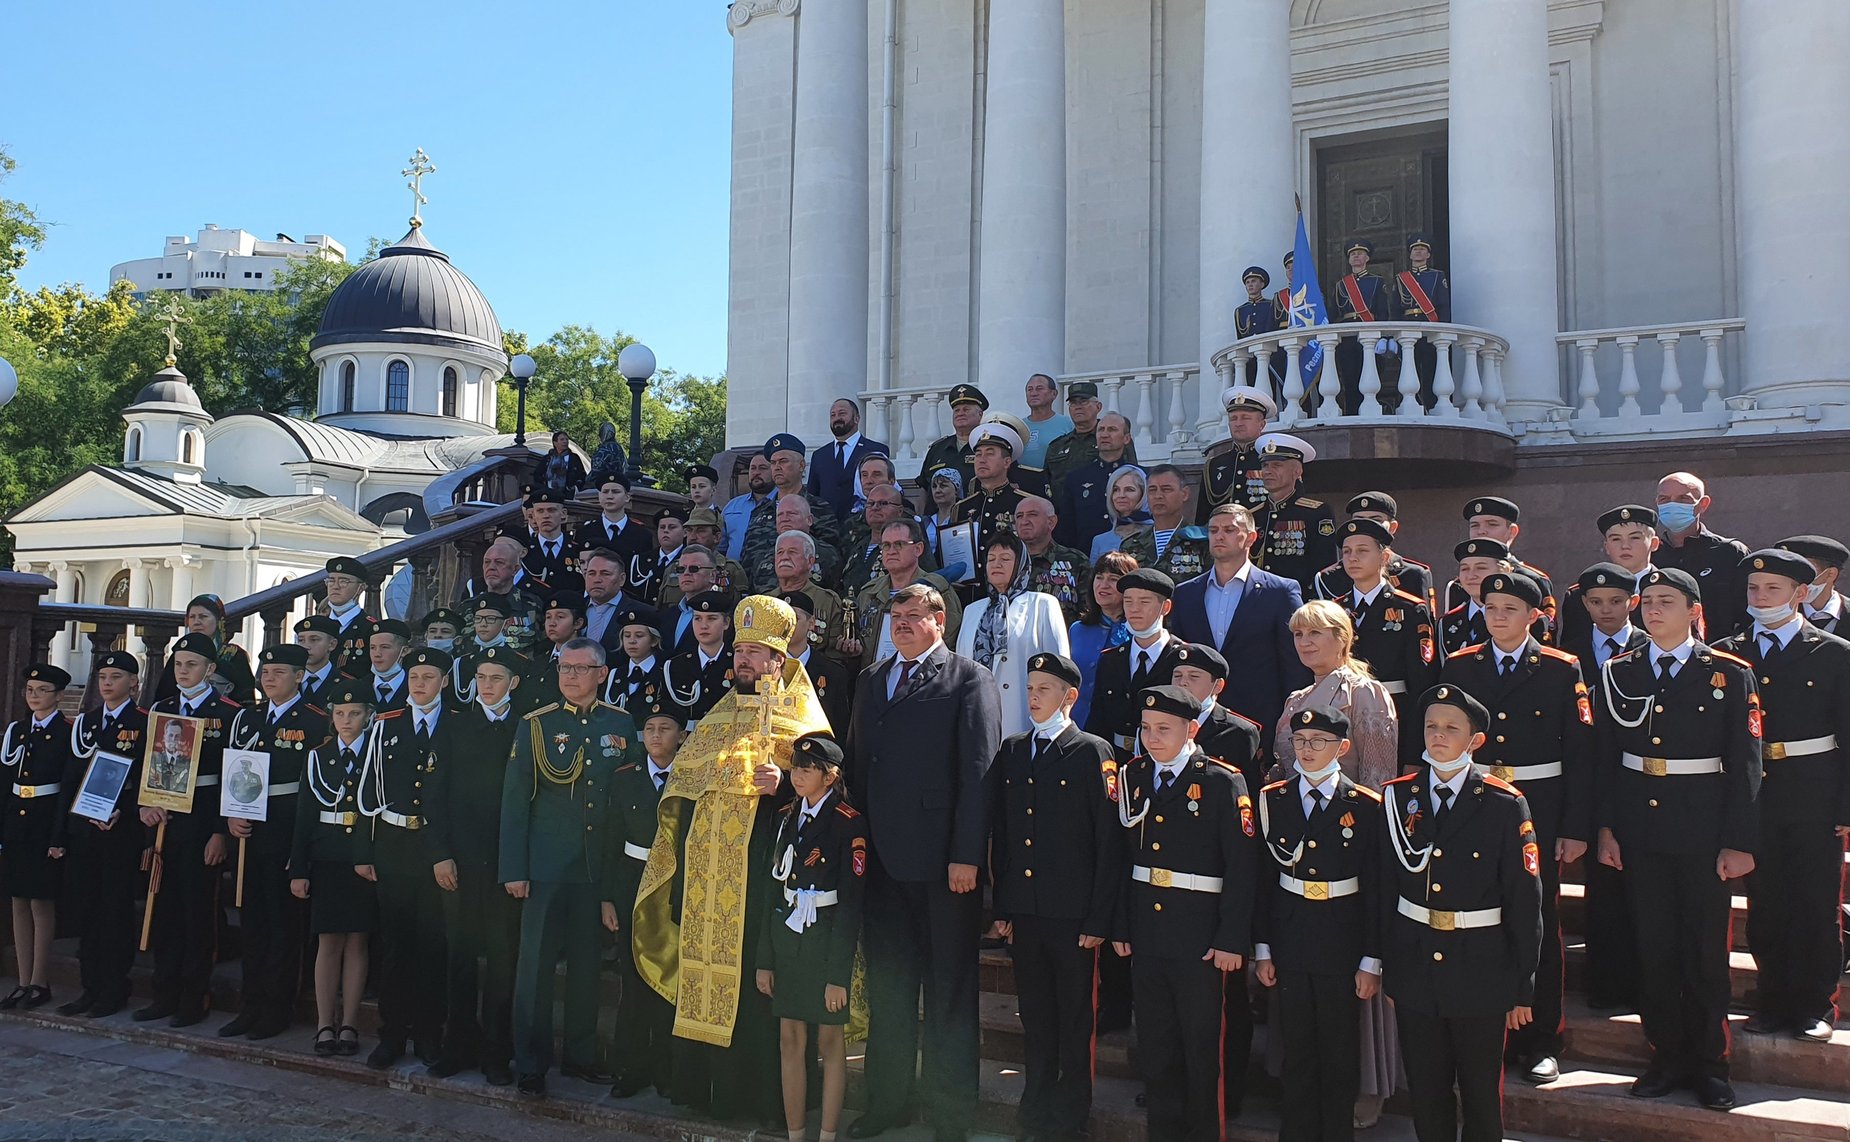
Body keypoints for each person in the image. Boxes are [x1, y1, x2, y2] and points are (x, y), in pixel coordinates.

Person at [633, 595, 830, 1124]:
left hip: (763, 885)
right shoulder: (719, 716)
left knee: (754, 989)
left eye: (755, 651)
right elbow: (684, 783)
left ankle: (759, 1098)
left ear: (778, 659)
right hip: (706, 881)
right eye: (739, 650)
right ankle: (704, 1090)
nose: (742, 659)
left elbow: (831, 797)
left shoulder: (804, 718)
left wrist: (786, 784)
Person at [1594, 567, 1760, 1110]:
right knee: (1655, 950)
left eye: (1668, 601)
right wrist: (1607, 828)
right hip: (1641, 832)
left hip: (1703, 832)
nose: (1653, 609)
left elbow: (1745, 764)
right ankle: (1665, 1055)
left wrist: (1738, 841)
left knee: (1705, 954)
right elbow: (1606, 761)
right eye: (1648, 601)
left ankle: (1712, 1064)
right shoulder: (1620, 671)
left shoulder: (1729, 674)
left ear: (1694, 609)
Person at [844, 582, 1002, 1141]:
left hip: (942, 867)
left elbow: (979, 774)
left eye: (914, 616)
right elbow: (861, 767)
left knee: (948, 992)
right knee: (890, 990)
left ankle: (949, 1113)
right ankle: (888, 1103)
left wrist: (966, 857)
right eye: (895, 615)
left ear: (941, 622)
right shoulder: (871, 679)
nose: (902, 624)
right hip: (882, 863)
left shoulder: (968, 678)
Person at [1440, 571, 1594, 1085]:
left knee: (1537, 924)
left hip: (1539, 811)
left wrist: (1575, 826)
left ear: (1535, 616)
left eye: (1510, 608)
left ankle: (1541, 1037)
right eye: (1491, 607)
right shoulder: (1462, 666)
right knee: (1480, 920)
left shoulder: (1559, 668)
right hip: (1475, 807)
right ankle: (1486, 1035)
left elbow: (1580, 754)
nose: (1498, 616)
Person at [1379, 684, 1542, 1142]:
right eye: (1431, 726)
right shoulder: (1398, 798)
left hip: (1481, 968)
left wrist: (1522, 985)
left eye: (1451, 728)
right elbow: (1384, 890)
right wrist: (1387, 963)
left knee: (1480, 1094)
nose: (1437, 735)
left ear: (1476, 741)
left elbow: (1524, 901)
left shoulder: (1504, 804)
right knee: (1427, 1092)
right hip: (1416, 963)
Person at [1274, 600, 1402, 1127]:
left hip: (1350, 843)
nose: (1305, 643)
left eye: (1317, 634)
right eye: (1299, 634)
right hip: (1298, 845)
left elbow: (1376, 773)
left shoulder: (1366, 692)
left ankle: (1364, 1088)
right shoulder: (1298, 696)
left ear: (1343, 638)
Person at [987, 653, 1122, 1141]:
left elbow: (1107, 841)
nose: (1034, 696)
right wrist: (1003, 905)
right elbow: (1005, 833)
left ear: (1069, 696)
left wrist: (1100, 917)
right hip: (1027, 908)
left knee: (1073, 1020)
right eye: (1030, 688)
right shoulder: (1015, 749)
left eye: (1045, 688)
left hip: (1073, 915)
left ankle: (1070, 1117)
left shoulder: (1091, 751)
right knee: (1037, 1017)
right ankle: (1035, 1108)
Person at [1717, 549, 1850, 1044]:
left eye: (1772, 589)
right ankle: (1773, 1000)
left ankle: (1815, 1005)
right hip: (1754, 793)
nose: (1760, 597)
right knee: (1766, 904)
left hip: (1813, 790)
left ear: (1800, 593)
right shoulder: (1728, 651)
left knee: (1815, 905)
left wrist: (1846, 805)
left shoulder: (1835, 652)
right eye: (1753, 589)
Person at [1114, 684, 1256, 1142]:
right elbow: (1121, 857)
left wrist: (1231, 938)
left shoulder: (1221, 781)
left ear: (1191, 729)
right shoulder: (1134, 776)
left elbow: (1241, 868)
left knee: (1201, 1049)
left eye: (1163, 729)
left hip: (1200, 936)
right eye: (1146, 728)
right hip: (1148, 930)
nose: (1152, 738)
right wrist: (1121, 923)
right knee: (1155, 1046)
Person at [501, 638, 638, 1097]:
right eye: (565, 668)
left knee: (585, 967)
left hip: (596, 869)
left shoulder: (621, 723)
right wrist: (514, 868)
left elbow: (628, 799)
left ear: (602, 674)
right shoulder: (537, 724)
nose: (571, 676)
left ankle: (580, 1055)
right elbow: (516, 800)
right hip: (544, 867)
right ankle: (530, 1062)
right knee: (535, 966)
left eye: (581, 669)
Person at [1252, 705, 1384, 1142]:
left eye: (1319, 742)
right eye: (1300, 741)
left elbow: (1377, 888)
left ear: (1342, 748)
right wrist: (1264, 947)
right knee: (1297, 1046)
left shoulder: (1365, 806)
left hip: (1341, 936)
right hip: (1291, 935)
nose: (1307, 750)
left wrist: (1371, 958)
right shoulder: (1275, 799)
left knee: (1339, 1048)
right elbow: (1264, 880)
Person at [759, 732, 869, 1142]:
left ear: (830, 775)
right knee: (789, 1038)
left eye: (808, 769)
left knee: (829, 1040)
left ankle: (826, 1134)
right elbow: (773, 889)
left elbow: (851, 904)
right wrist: (764, 960)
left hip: (826, 943)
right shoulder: (786, 814)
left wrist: (837, 975)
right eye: (795, 767)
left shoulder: (848, 823)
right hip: (788, 940)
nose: (798, 774)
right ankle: (795, 1133)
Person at [218, 644, 327, 1041]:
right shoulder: (247, 718)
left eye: (279, 672)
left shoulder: (315, 721)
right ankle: (251, 1004)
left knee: (283, 927)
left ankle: (277, 1008)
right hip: (250, 834)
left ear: (299, 676)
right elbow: (231, 769)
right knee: (253, 924)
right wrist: (230, 815)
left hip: (288, 832)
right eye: (266, 671)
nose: (269, 678)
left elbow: (314, 787)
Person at [427, 646, 524, 1086]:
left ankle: (496, 1054)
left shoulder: (527, 729)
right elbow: (435, 794)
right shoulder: (454, 725)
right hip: (460, 862)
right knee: (460, 958)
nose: (486, 686)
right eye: (481, 678)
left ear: (513, 683)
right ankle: (457, 1046)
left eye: (496, 678)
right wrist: (440, 853)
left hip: (505, 864)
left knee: (503, 960)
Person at [136, 633, 241, 1028]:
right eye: (179, 664)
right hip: (165, 822)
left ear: (210, 670)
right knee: (164, 913)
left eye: (192, 664)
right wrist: (146, 805)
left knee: (198, 915)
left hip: (202, 823)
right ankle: (164, 992)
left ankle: (194, 997)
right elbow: (147, 767)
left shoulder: (228, 713)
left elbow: (230, 778)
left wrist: (219, 832)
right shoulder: (161, 710)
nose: (183, 671)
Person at [360, 646, 454, 1069]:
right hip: (395, 846)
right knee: (395, 947)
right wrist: (366, 850)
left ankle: (430, 1036)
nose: (420, 684)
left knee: (433, 947)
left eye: (429, 677)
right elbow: (366, 792)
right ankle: (392, 1034)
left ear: (445, 682)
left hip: (437, 852)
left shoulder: (457, 726)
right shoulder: (386, 725)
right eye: (414, 677)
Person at [1560, 562, 1648, 1013]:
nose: (1605, 610)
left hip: (1635, 778)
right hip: (1584, 776)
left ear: (1633, 602)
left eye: (1616, 601)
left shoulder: (1650, 648)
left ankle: (1642, 983)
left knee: (1640, 884)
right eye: (1595, 602)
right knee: (1602, 888)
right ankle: (1606, 982)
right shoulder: (1568, 651)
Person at [1170, 503, 1309, 742]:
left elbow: (1294, 664)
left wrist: (1288, 723)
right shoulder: (1186, 593)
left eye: (1229, 530)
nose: (1219, 536)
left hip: (1260, 721)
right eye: (1213, 531)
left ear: (1251, 537)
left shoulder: (1280, 591)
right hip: (1198, 724)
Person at [57, 651, 147, 1019]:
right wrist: (63, 831)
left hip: (120, 832)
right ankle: (89, 987)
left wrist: (122, 809)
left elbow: (146, 778)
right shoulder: (87, 722)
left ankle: (114, 988)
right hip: (86, 832)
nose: (107, 683)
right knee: (88, 911)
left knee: (115, 912)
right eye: (103, 676)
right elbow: (71, 779)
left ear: (133, 683)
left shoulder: (143, 722)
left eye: (116, 676)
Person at [290, 680, 375, 1058]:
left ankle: (351, 1023)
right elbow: (305, 815)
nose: (346, 720)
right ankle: (325, 1023)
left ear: (368, 716)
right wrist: (299, 868)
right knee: (328, 942)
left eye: (354, 713)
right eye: (339, 714)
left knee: (357, 941)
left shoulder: (376, 753)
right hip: (326, 857)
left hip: (363, 860)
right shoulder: (317, 755)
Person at [606, 695, 685, 1100]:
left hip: (674, 891)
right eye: (650, 729)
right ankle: (631, 1067)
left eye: (665, 728)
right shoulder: (624, 776)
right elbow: (608, 842)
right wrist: (607, 899)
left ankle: (668, 1071)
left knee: (670, 980)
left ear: (681, 735)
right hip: (631, 884)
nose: (656, 735)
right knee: (634, 981)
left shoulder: (689, 781)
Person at [1332, 518, 1438, 769]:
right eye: (1347, 552)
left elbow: (1422, 684)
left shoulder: (1410, 609)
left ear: (1384, 557)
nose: (1353, 558)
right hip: (1344, 713)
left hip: (1394, 714)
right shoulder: (1335, 609)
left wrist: (1415, 753)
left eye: (1362, 551)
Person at [0, 663, 73, 1011]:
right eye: (30, 690)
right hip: (18, 824)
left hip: (44, 824)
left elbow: (66, 789)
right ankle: (22, 979)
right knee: (18, 901)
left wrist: (58, 836)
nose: (35, 696)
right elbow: (5, 782)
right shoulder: (17, 730)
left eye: (42, 690)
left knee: (40, 902)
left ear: (58, 695)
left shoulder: (66, 732)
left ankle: (40, 980)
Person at [957, 532, 1071, 740]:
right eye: (991, 559)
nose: (996, 564)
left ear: (1021, 565)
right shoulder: (972, 610)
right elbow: (960, 669)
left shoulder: (1043, 604)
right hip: (977, 718)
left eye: (1005, 559)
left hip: (1024, 718)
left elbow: (1059, 668)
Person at [1083, 568, 1182, 757]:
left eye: (1144, 602)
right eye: (1128, 601)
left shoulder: (1181, 659)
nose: (1134, 609)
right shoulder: (1111, 659)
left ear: (1165, 607)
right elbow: (1098, 720)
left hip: (1164, 760)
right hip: (1116, 758)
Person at [851, 519, 965, 669]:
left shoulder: (938, 591)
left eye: (899, 544)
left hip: (924, 679)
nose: (891, 551)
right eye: (886, 545)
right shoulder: (868, 592)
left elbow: (950, 641)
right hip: (876, 681)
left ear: (918, 549)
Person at [1654, 471, 1750, 639]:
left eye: (1683, 499)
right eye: (1664, 499)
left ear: (1703, 504)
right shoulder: (1651, 555)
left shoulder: (1729, 552)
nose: (1672, 505)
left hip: (1720, 655)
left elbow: (1749, 613)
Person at [1313, 492, 1437, 617]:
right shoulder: (1328, 578)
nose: (1366, 526)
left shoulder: (1414, 575)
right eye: (1359, 520)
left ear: (1392, 527)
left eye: (1376, 520)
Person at [1449, 498, 1557, 635]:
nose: (1481, 531)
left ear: (1512, 531)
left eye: (1492, 524)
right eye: (1475, 525)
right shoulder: (1458, 585)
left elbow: (1546, 632)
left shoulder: (1532, 579)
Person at [1558, 505, 1660, 649]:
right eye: (1616, 539)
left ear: (1654, 543)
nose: (1625, 546)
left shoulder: (1670, 591)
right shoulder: (1579, 595)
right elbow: (1570, 651)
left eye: (1635, 537)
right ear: (1606, 546)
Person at [1252, 433, 1337, 595]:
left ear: (1297, 471)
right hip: (1257, 600)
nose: (1268, 471)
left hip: (1298, 600)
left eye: (1276, 465)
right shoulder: (1252, 515)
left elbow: (1325, 564)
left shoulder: (1316, 512)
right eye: (1265, 465)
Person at [953, 421, 1028, 586]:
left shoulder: (1024, 503)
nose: (982, 459)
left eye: (990, 453)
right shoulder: (962, 508)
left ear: (1007, 462)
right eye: (978, 454)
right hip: (970, 591)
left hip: (1011, 588)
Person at [1068, 551, 1136, 730]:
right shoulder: (1077, 630)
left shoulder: (1139, 634)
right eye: (1099, 577)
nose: (1103, 585)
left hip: (1120, 731)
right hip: (1077, 726)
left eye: (1113, 579)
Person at [1329, 239, 1398, 415]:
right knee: (1349, 377)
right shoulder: (1341, 285)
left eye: (1359, 254)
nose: (1356, 256)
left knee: (1370, 375)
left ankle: (1370, 412)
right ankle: (1352, 412)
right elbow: (1333, 312)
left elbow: (1382, 312)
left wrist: (1384, 336)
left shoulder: (1376, 282)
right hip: (1347, 337)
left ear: (1367, 258)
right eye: (1352, 254)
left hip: (1370, 335)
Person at [1053, 412, 1136, 555]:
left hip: (1129, 556)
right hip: (1087, 559)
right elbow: (1067, 528)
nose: (1104, 434)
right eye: (1100, 429)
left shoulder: (1138, 477)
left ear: (1126, 438)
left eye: (1112, 430)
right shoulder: (1077, 478)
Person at [153, 593, 255, 703]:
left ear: (218, 621)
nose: (197, 622)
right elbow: (164, 696)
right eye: (192, 617)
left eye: (203, 617)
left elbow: (245, 700)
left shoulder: (233, 655)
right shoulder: (179, 654)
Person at [1195, 386, 1276, 523]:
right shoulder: (1214, 465)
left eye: (1245, 418)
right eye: (1233, 418)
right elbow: (1203, 516)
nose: (1238, 423)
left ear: (1261, 424)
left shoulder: (1274, 462)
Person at [1045, 381, 1138, 495]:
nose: (1078, 407)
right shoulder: (1057, 446)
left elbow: (1132, 474)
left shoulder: (1113, 439)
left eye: (1083, 402)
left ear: (1098, 407)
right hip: (1065, 510)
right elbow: (1047, 484)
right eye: (1073, 403)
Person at [660, 588, 737, 725]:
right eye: (697, 619)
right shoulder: (675, 666)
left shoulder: (737, 663)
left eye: (712, 618)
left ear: (726, 623)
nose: (704, 626)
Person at [1121, 465, 1209, 582]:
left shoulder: (1202, 541)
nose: (1158, 496)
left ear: (1185, 494)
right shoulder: (1131, 545)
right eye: (1152, 490)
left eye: (1166, 489)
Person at [456, 539, 546, 653]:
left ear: (515, 569)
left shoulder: (532, 605)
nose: (491, 567)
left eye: (499, 562)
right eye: (487, 562)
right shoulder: (467, 607)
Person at [1014, 495, 1092, 625]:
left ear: (1051, 522)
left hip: (1063, 640)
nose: (1024, 521)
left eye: (1032, 515)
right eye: (1019, 516)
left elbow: (1089, 612)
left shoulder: (1075, 561)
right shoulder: (1004, 562)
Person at [809, 397, 890, 520]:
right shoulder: (819, 455)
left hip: (862, 525)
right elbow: (813, 495)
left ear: (857, 418)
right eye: (833, 415)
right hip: (826, 528)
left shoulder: (876, 450)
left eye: (842, 413)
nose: (837, 418)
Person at [1394, 235, 1451, 410]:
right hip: (1407, 328)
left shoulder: (1436, 276)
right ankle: (1407, 405)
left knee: (1429, 370)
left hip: (1429, 327)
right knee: (1408, 369)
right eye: (1415, 250)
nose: (1418, 252)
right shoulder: (1401, 278)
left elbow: (1444, 306)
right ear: (1410, 255)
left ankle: (1431, 407)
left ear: (1428, 255)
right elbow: (1396, 308)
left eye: (1422, 249)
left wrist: (1443, 330)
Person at [786, 592, 855, 733]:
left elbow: (840, 727)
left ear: (811, 623)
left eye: (794, 618)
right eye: (781, 618)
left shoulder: (833, 672)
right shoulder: (763, 668)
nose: (787, 624)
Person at [576, 471, 657, 586]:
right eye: (605, 492)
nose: (609, 496)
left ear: (627, 497)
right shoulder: (585, 532)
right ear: (599, 496)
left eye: (615, 492)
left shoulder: (642, 534)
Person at [1439, 539, 1513, 657]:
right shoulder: (1447, 622)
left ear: (1504, 571)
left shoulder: (1522, 619)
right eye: (1464, 569)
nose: (1471, 575)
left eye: (1481, 568)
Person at [582, 547, 657, 656]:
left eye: (605, 574)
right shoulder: (573, 608)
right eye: (591, 573)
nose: (597, 579)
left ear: (622, 579)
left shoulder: (643, 612)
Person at [916, 383, 987, 489]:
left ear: (980, 414)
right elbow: (924, 487)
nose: (960, 413)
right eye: (956, 410)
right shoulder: (937, 449)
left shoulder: (988, 446)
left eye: (966, 409)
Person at [1778, 534, 1850, 634]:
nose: (1797, 579)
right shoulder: (1777, 614)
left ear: (1830, 574)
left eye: (1806, 570)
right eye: (1790, 572)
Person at [322, 556, 379, 678]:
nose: (335, 586)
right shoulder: (319, 625)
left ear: (361, 588)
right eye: (331, 580)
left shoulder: (370, 628)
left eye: (344, 581)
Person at [603, 606, 667, 713]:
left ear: (654, 641)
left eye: (639, 635)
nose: (632, 641)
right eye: (627, 636)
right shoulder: (615, 674)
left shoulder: (664, 674)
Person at [522, 488, 583, 593]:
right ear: (533, 516)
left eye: (551, 510)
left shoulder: (577, 551)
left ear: (563, 514)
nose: (546, 516)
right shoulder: (524, 551)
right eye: (540, 511)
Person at [658, 544, 723, 639]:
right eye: (681, 569)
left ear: (712, 576)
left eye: (694, 568)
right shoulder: (668, 615)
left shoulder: (722, 612)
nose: (686, 573)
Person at [1090, 464, 1152, 561]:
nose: (1121, 495)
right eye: (1116, 490)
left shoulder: (1155, 534)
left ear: (1143, 493)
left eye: (1129, 490)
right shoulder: (1100, 541)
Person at [1234, 266, 1283, 388]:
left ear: (1262, 284)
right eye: (1247, 282)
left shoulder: (1271, 305)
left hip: (1269, 357)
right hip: (1250, 360)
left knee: (1270, 392)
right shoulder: (1240, 311)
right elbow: (1240, 338)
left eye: (1254, 281)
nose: (1250, 285)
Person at [725, 453, 776, 564]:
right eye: (752, 468)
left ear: (774, 471)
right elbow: (720, 546)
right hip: (735, 576)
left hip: (770, 577)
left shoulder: (785, 504)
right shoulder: (732, 506)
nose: (756, 472)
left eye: (763, 468)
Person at [295, 616, 344, 707]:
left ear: (332, 644)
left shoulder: (345, 684)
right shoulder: (289, 680)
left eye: (314, 640)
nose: (306, 646)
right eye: (301, 640)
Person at [366, 619, 412, 709]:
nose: (377, 654)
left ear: (404, 651)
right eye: (372, 647)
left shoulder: (414, 687)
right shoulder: (360, 687)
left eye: (385, 647)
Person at [924, 467, 965, 565]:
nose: (937, 490)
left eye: (943, 486)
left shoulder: (964, 520)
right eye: (934, 486)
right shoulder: (925, 522)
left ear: (956, 489)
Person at [535, 429, 588, 496]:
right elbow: (537, 475)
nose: (565, 441)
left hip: (568, 495)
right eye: (562, 439)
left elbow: (582, 475)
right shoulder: (547, 459)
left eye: (566, 439)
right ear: (555, 443)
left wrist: (574, 487)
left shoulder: (574, 458)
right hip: (548, 493)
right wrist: (543, 488)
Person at [588, 422, 627, 489]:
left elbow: (597, 469)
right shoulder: (619, 448)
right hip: (619, 482)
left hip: (603, 484)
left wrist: (585, 481)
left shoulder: (605, 449)